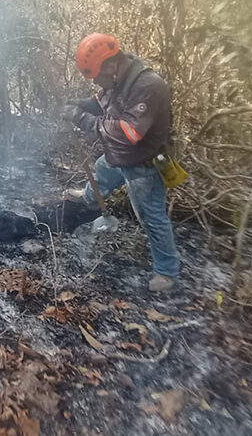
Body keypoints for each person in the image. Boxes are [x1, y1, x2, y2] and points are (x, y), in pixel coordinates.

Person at [60, 33, 180, 292]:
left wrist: (82, 119)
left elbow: (130, 132)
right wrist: (80, 105)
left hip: (143, 165)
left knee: (151, 217)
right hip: (118, 157)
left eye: (97, 77)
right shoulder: (120, 79)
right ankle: (91, 197)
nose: (98, 83)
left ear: (111, 66)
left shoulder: (148, 86)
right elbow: (102, 100)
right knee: (102, 171)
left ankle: (167, 273)